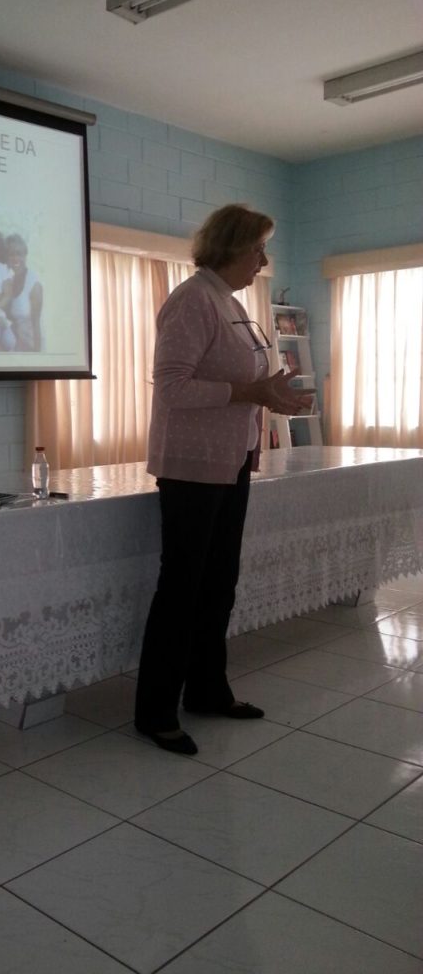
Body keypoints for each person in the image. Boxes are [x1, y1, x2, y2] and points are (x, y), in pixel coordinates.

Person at [134, 203, 312, 755]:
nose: (264, 260)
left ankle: (208, 691)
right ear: (232, 246)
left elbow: (244, 382)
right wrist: (250, 393)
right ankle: (155, 711)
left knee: (219, 584)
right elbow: (172, 388)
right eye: (258, 248)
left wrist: (273, 395)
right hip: (192, 468)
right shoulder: (192, 301)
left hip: (231, 460)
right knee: (183, 588)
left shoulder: (230, 303)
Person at [4, 234, 43, 350]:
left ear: (25, 255)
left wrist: (38, 358)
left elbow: (37, 323)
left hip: (33, 344)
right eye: (11, 254)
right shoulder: (7, 279)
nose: (15, 258)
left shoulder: (33, 283)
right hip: (17, 344)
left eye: (19, 254)